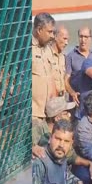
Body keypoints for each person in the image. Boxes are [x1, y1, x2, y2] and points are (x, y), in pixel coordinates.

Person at [32, 96, 92, 182]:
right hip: (40, 176)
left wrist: (89, 163)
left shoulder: (64, 133)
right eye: (66, 113)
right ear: (57, 118)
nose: (69, 115)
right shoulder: (37, 130)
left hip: (58, 171)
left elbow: (72, 156)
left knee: (85, 175)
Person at [32, 119, 87, 184]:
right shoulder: (39, 163)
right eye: (58, 139)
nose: (61, 145)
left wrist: (79, 182)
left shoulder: (61, 157)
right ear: (50, 139)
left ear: (71, 144)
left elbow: (66, 174)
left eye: (66, 141)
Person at [32, 12, 57, 144]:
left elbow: (51, 78)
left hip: (46, 115)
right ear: (39, 30)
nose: (52, 36)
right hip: (33, 115)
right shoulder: (27, 50)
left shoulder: (48, 50)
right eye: (50, 32)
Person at [65, 27, 92, 106]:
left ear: (90, 38)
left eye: (86, 37)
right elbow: (66, 80)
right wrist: (72, 93)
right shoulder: (70, 56)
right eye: (81, 36)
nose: (83, 40)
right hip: (77, 103)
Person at [48, 25, 69, 97]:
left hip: (63, 98)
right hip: (50, 99)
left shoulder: (64, 57)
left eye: (67, 40)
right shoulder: (46, 55)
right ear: (55, 37)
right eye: (64, 39)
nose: (67, 43)